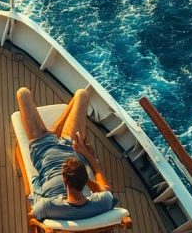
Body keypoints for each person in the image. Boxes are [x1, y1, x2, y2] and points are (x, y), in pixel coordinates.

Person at [15, 87, 116, 221]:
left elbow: (32, 217)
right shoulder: (100, 203)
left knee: (23, 93)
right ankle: (55, 131)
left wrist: (86, 156)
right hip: (72, 145)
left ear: (65, 180)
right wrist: (86, 153)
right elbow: (107, 190)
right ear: (86, 179)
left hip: (43, 147)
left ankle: (54, 130)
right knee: (82, 94)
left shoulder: (47, 206)